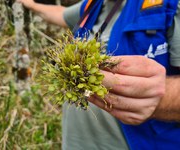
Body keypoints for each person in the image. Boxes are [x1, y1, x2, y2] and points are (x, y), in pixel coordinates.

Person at [17, 0, 180, 149]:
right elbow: (61, 14)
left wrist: (162, 99)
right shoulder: (93, 5)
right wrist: (31, 4)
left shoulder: (168, 5)